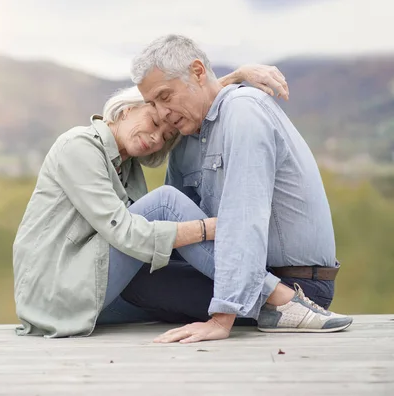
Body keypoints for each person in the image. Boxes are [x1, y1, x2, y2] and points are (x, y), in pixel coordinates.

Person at [13, 65, 288, 338]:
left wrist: (235, 77)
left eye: (166, 137)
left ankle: (274, 310)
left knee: (186, 297)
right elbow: (125, 233)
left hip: (94, 297)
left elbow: (187, 102)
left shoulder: (127, 166)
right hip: (57, 292)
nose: (156, 138)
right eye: (155, 123)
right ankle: (283, 297)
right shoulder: (79, 147)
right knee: (165, 204)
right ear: (127, 109)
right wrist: (213, 227)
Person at [128, 34, 352, 344]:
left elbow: (245, 216)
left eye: (165, 96)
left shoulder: (244, 111)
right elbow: (177, 235)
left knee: (138, 285)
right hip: (224, 271)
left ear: (197, 72)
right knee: (136, 278)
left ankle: (284, 305)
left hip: (297, 283)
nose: (162, 112)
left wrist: (222, 319)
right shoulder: (185, 142)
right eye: (152, 103)